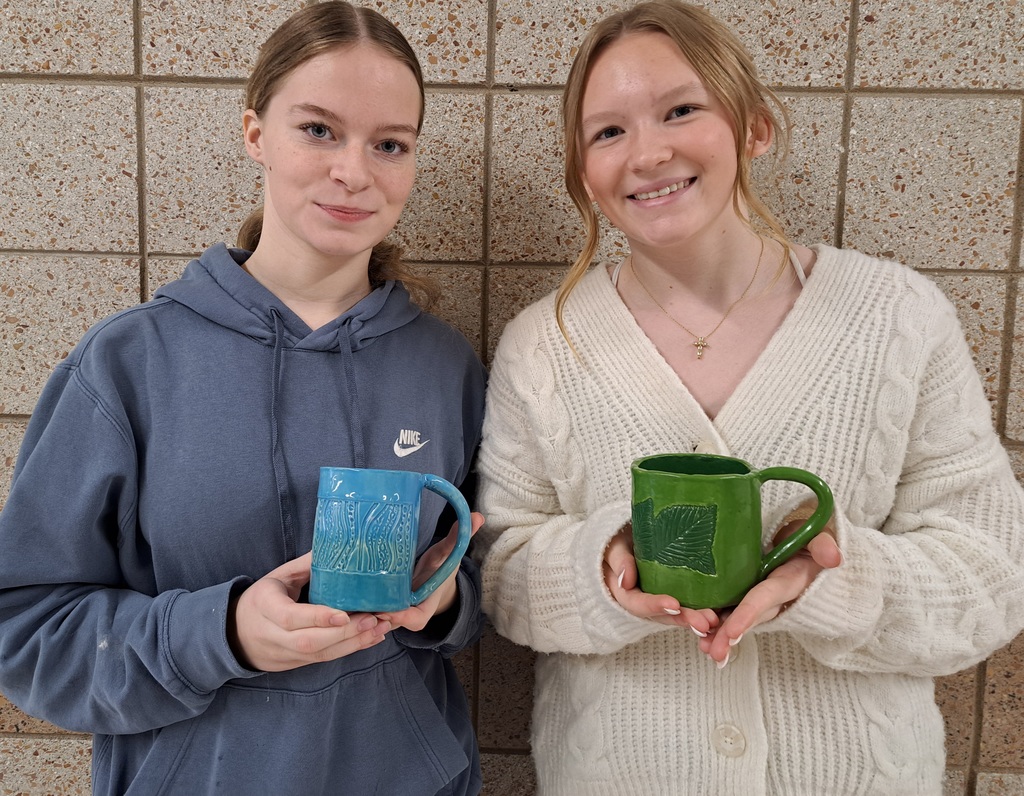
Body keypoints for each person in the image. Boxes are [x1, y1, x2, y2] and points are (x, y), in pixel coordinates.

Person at [475, 1, 1024, 793]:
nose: (647, 153)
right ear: (582, 168)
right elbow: (500, 570)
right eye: (608, 132)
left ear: (753, 127)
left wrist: (833, 579)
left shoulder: (898, 317)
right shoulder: (544, 344)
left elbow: (993, 575)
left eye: (680, 110)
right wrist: (602, 571)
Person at [0, 3, 486, 794]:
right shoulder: (129, 362)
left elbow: (485, 582)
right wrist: (223, 632)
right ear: (256, 134)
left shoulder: (444, 366)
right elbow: (24, 630)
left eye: (389, 144)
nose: (354, 172)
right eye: (319, 130)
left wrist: (446, 600)